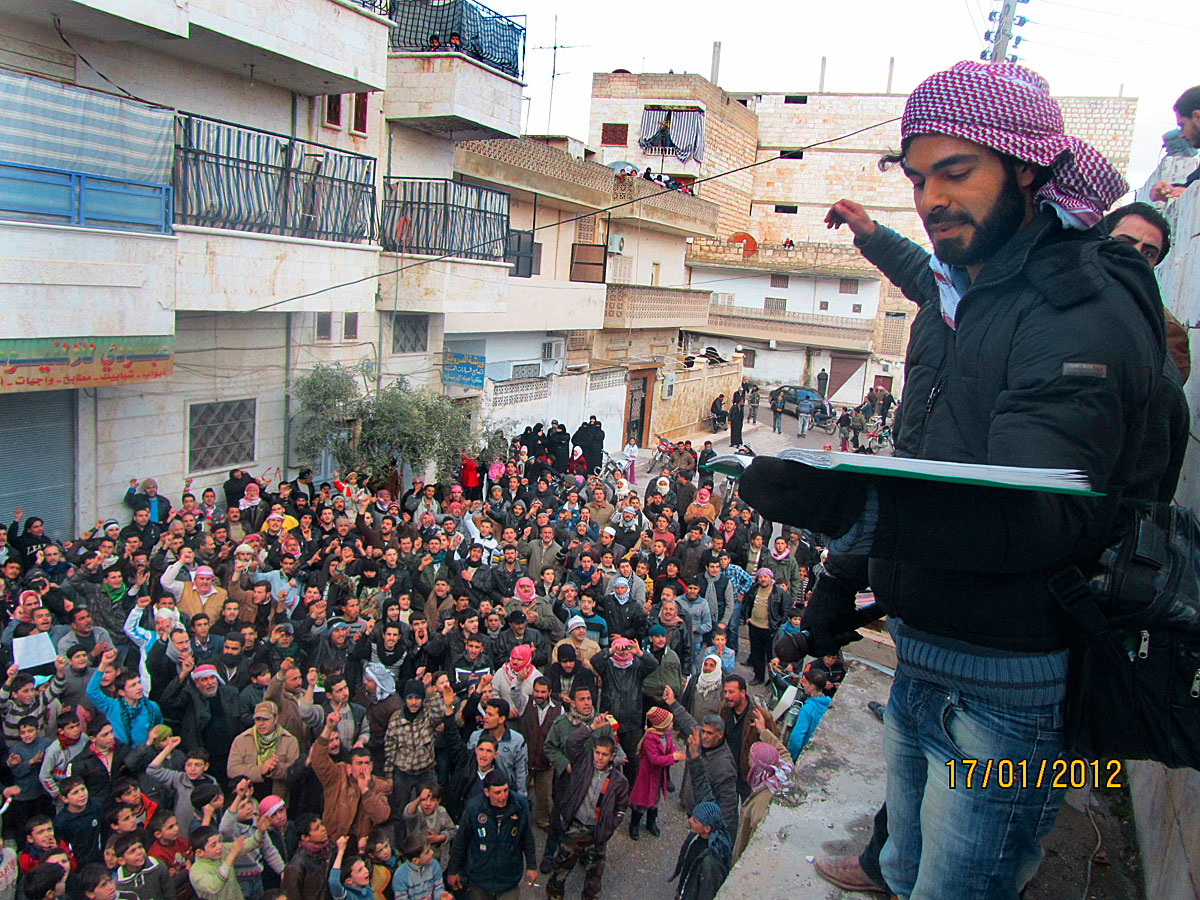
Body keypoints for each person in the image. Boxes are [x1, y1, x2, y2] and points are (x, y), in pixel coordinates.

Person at [748, 59, 1173, 900]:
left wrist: (854, 508)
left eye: (956, 171)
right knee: (902, 865)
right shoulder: (973, 286)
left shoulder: (1075, 307)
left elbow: (1036, 514)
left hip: (1007, 694)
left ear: (1026, 167)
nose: (933, 197)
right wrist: (848, 571)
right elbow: (924, 286)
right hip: (927, 650)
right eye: (918, 178)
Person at [544, 723, 628, 900]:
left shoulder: (618, 781)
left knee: (593, 879)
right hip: (575, 826)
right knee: (560, 868)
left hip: (596, 833)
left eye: (604, 755)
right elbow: (572, 743)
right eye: (597, 753)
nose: (599, 758)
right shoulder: (584, 765)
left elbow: (621, 807)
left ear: (612, 757)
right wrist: (590, 728)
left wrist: (609, 826)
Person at [446, 771, 537, 900]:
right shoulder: (473, 808)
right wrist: (453, 870)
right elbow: (461, 841)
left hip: (509, 878)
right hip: (480, 878)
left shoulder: (520, 805)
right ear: (487, 792)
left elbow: (527, 837)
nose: (503, 797)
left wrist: (532, 866)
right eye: (497, 793)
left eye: (505, 791)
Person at [626, 706, 681, 841]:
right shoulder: (650, 738)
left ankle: (651, 822)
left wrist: (674, 753)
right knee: (641, 799)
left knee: (654, 799)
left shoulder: (666, 735)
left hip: (657, 775)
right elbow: (654, 759)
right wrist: (672, 758)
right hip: (647, 775)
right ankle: (634, 824)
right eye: (670, 722)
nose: (672, 725)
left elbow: (670, 747)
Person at [668, 800, 731, 900]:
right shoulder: (694, 836)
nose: (690, 820)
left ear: (707, 829)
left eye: (695, 821)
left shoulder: (711, 863)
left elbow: (706, 894)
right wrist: (680, 889)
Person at [786, 669, 831, 760]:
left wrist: (790, 759)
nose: (803, 685)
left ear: (812, 687)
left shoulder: (807, 710)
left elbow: (796, 738)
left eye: (805, 682)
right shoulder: (830, 703)